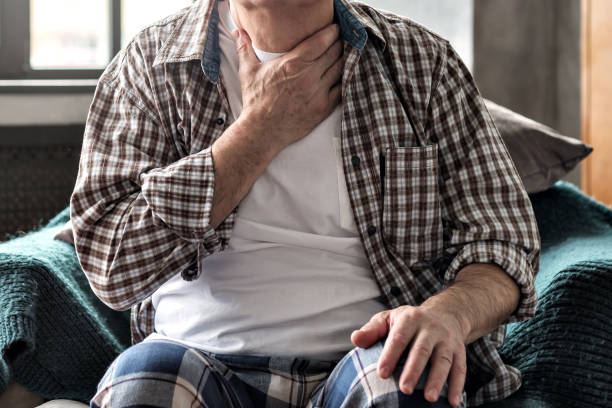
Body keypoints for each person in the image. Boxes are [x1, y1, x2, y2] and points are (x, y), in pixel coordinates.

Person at [70, 0, 540, 406]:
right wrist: (260, 131)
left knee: (409, 383)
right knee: (146, 381)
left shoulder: (423, 63)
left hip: (366, 356)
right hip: (193, 358)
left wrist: (448, 315)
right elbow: (110, 265)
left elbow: (503, 243)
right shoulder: (148, 66)